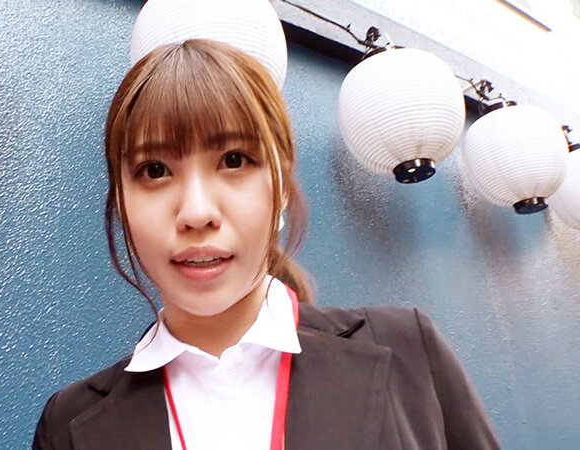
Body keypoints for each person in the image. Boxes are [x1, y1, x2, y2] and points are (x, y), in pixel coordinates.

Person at [33, 39, 501, 450]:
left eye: (234, 160)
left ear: (281, 183)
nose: (196, 212)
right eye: (154, 170)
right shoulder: (69, 424)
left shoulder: (406, 349)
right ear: (121, 202)